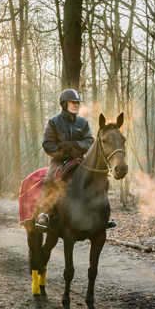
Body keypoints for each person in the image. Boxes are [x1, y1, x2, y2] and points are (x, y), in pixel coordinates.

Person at [35, 88, 94, 230]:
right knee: (50, 179)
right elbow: (47, 144)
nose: (76, 105)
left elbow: (90, 141)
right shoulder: (53, 122)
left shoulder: (83, 123)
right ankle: (44, 214)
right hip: (59, 162)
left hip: (79, 160)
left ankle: (100, 216)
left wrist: (76, 145)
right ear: (63, 104)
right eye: (72, 102)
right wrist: (63, 151)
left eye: (77, 102)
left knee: (95, 179)